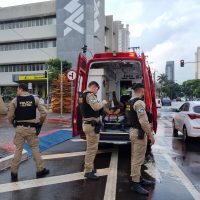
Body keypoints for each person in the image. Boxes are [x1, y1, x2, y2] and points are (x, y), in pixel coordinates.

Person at [7, 83, 49, 182]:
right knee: (35, 148)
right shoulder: (35, 99)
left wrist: (13, 123)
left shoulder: (15, 100)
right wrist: (40, 123)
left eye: (17, 90)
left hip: (20, 129)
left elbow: (10, 116)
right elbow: (44, 113)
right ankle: (40, 170)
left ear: (21, 89)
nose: (17, 92)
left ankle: (14, 173)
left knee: (18, 150)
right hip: (31, 128)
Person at [126, 83, 155, 195]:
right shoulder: (139, 103)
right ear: (142, 91)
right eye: (144, 91)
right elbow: (143, 121)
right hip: (139, 133)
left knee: (136, 157)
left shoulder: (129, 102)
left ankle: (138, 178)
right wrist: (150, 135)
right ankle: (135, 183)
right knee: (138, 159)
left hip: (133, 131)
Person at [79, 81, 107, 180]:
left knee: (91, 148)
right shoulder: (90, 95)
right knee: (92, 149)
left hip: (87, 124)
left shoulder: (82, 95)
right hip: (91, 125)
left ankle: (90, 168)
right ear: (94, 87)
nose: (96, 91)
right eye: (97, 89)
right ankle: (88, 171)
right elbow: (96, 107)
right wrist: (103, 102)